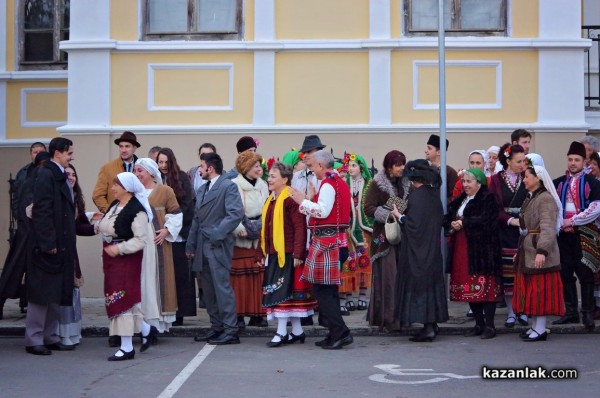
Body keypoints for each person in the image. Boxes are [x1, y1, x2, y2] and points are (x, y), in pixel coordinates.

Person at [289, 150, 353, 350]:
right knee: (328, 290)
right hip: (334, 242)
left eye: (312, 166)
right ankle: (335, 332)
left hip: (327, 243)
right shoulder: (338, 182)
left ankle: (340, 332)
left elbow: (322, 211)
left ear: (320, 166)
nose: (311, 170)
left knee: (322, 290)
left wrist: (303, 201)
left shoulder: (327, 184)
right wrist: (309, 199)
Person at [25, 138, 77, 355]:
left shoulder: (57, 174)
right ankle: (34, 339)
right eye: (69, 153)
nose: (71, 156)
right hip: (48, 245)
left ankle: (50, 336)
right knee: (41, 293)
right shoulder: (46, 174)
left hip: (61, 244)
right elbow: (42, 210)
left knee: (55, 292)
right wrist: (48, 242)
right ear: (58, 153)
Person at [186, 152, 244, 345]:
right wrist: (191, 244)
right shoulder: (203, 189)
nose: (200, 169)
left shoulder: (228, 186)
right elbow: (197, 218)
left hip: (217, 244)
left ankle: (231, 330)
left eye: (201, 166)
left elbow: (235, 214)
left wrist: (218, 234)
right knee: (208, 290)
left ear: (210, 168)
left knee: (222, 288)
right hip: (203, 245)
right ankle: (216, 326)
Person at [257, 162, 316, 346]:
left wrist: (298, 253)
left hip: (288, 253)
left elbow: (300, 227)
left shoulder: (290, 199)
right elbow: (265, 229)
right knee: (284, 293)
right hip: (274, 252)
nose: (269, 179)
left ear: (285, 179)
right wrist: (261, 251)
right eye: (269, 176)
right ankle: (297, 331)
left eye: (273, 176)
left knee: (282, 293)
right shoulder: (271, 199)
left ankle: (282, 332)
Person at [98, 172, 156, 361]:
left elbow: (141, 240)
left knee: (122, 301)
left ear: (126, 188)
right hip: (113, 260)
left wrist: (120, 249)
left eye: (116, 185)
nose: (113, 188)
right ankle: (146, 330)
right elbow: (106, 226)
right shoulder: (115, 205)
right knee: (125, 301)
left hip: (126, 260)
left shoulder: (136, 210)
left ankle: (127, 347)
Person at [392, 159, 448, 342]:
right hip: (432, 250)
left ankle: (429, 328)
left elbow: (413, 225)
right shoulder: (433, 194)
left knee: (421, 287)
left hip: (418, 253)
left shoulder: (417, 196)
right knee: (432, 286)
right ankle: (433, 325)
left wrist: (399, 217)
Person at [447, 168, 502, 339]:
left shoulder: (488, 198)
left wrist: (465, 224)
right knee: (469, 286)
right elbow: (449, 216)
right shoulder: (461, 199)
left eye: (469, 182)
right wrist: (451, 224)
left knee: (485, 288)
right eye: (464, 181)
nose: (465, 185)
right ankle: (479, 324)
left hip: (482, 250)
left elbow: (489, 221)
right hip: (462, 248)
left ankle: (490, 326)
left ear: (479, 183)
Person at [513, 165, 565, 341]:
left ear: (538, 178)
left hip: (539, 251)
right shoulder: (532, 197)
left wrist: (542, 251)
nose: (524, 180)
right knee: (532, 290)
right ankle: (535, 326)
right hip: (529, 250)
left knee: (540, 291)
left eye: (527, 176)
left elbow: (548, 228)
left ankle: (541, 328)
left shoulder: (545, 199)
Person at [553, 141, 600, 331]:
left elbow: (596, 207)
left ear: (584, 161)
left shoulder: (593, 183)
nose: (573, 163)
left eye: (577, 160)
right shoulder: (558, 183)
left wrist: (572, 222)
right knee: (565, 273)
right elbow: (554, 208)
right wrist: (561, 224)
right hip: (563, 235)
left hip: (585, 234)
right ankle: (570, 312)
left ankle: (587, 313)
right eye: (570, 159)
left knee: (586, 273)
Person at [134, 158, 181, 333]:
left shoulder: (164, 191)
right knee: (140, 282)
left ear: (151, 173)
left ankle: (155, 324)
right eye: (136, 171)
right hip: (138, 246)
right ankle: (139, 324)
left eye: (141, 171)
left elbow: (176, 214)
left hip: (157, 246)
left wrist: (166, 230)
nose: (137, 174)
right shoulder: (132, 191)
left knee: (155, 282)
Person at [363, 150, 408, 330]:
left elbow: (409, 205)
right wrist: (390, 214)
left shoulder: (406, 183)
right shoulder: (377, 184)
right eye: (398, 165)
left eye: (403, 164)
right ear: (389, 167)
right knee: (387, 277)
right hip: (382, 237)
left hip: (402, 235)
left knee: (400, 277)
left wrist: (402, 212)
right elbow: (368, 207)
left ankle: (401, 317)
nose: (402, 168)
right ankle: (387, 318)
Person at [1, 144, 47, 319]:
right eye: (35, 152)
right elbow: (18, 199)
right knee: (15, 268)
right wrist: (21, 219)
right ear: (31, 154)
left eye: (41, 152)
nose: (38, 155)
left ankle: (27, 301)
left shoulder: (44, 173)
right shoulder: (24, 173)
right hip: (25, 229)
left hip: (37, 230)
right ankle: (3, 299)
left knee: (32, 268)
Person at [58, 164, 101, 346]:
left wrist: (96, 226)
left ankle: (72, 333)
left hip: (70, 250)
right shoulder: (60, 198)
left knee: (72, 290)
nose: (71, 177)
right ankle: (61, 334)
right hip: (59, 250)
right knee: (63, 291)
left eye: (74, 174)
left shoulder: (75, 198)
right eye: (67, 174)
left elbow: (77, 226)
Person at [488, 143, 529, 328]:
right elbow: (493, 207)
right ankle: (511, 312)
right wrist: (510, 220)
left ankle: (525, 310)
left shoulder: (528, 176)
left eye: (524, 160)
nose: (522, 164)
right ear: (508, 161)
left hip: (526, 229)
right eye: (518, 161)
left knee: (525, 271)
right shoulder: (496, 180)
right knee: (508, 273)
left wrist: (525, 220)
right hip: (504, 230)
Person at [229, 151, 270, 328]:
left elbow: (267, 206)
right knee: (240, 280)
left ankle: (257, 314)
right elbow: (231, 209)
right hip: (241, 237)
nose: (259, 169)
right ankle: (238, 315)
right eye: (255, 166)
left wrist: (264, 227)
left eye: (259, 166)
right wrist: (239, 228)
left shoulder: (263, 185)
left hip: (258, 237)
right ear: (246, 168)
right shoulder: (234, 185)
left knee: (258, 277)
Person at [157, 148, 197, 326]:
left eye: (166, 162)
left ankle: (181, 313)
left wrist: (175, 227)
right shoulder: (155, 178)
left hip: (178, 233)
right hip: (160, 233)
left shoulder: (181, 178)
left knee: (180, 275)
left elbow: (187, 205)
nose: (163, 166)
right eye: (160, 162)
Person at [340, 152, 374, 313]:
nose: (351, 168)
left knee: (364, 261)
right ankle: (347, 297)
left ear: (361, 167)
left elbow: (384, 200)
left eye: (354, 165)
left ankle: (362, 296)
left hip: (364, 229)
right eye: (349, 166)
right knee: (349, 262)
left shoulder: (370, 184)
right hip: (348, 229)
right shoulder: (343, 183)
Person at [93, 131, 141, 213]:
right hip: (114, 217)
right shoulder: (107, 168)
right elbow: (97, 195)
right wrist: (110, 212)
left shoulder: (142, 167)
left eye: (127, 146)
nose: (123, 150)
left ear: (135, 148)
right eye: (121, 146)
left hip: (137, 214)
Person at [424, 134, 459, 201]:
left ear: (439, 152)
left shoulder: (450, 172)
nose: (425, 151)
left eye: (429, 148)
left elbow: (455, 196)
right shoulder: (425, 170)